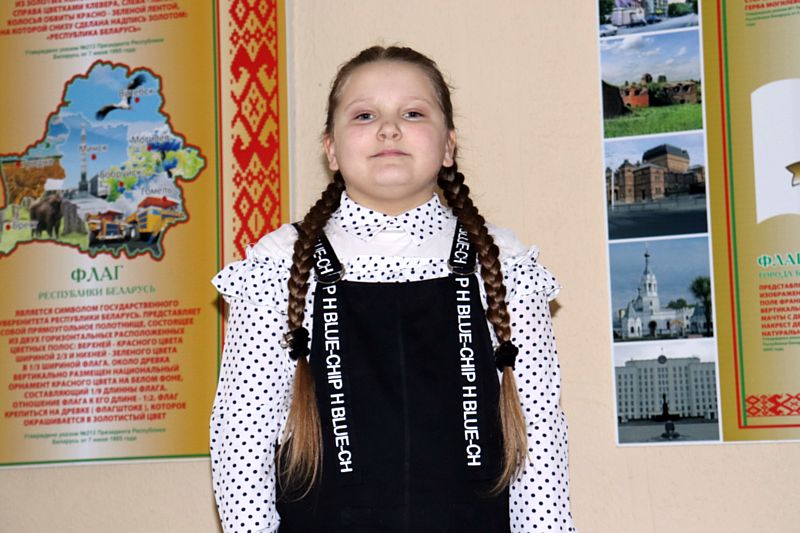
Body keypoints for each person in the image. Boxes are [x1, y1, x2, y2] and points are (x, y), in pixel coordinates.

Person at [211, 46, 576, 533]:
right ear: (331, 149)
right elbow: (242, 438)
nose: (389, 129)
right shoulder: (280, 262)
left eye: (412, 113)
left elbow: (540, 440)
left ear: (448, 146)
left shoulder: (502, 262)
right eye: (365, 115)